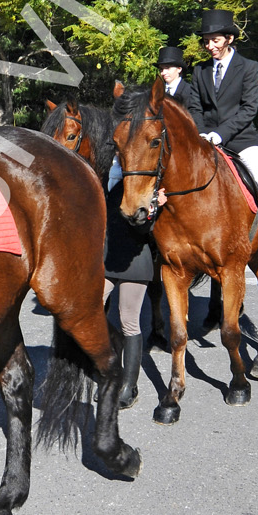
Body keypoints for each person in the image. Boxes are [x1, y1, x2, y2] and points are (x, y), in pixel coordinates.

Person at [188, 9, 258, 263]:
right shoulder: (200, 70)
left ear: (229, 39)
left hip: (240, 138)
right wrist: (203, 133)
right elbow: (194, 107)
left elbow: (249, 109)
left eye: (215, 40)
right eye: (206, 41)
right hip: (205, 139)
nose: (209, 46)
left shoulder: (248, 67)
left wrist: (219, 134)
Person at [103, 156, 156, 408]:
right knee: (91, 312)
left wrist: (148, 213)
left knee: (128, 320)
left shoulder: (150, 188)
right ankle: (111, 373)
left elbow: (145, 230)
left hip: (135, 261)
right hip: (107, 259)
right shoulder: (109, 182)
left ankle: (129, 385)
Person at [156, 45, 193, 110]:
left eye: (167, 68)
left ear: (179, 69)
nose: (163, 73)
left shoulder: (190, 91)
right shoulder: (158, 92)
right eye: (161, 69)